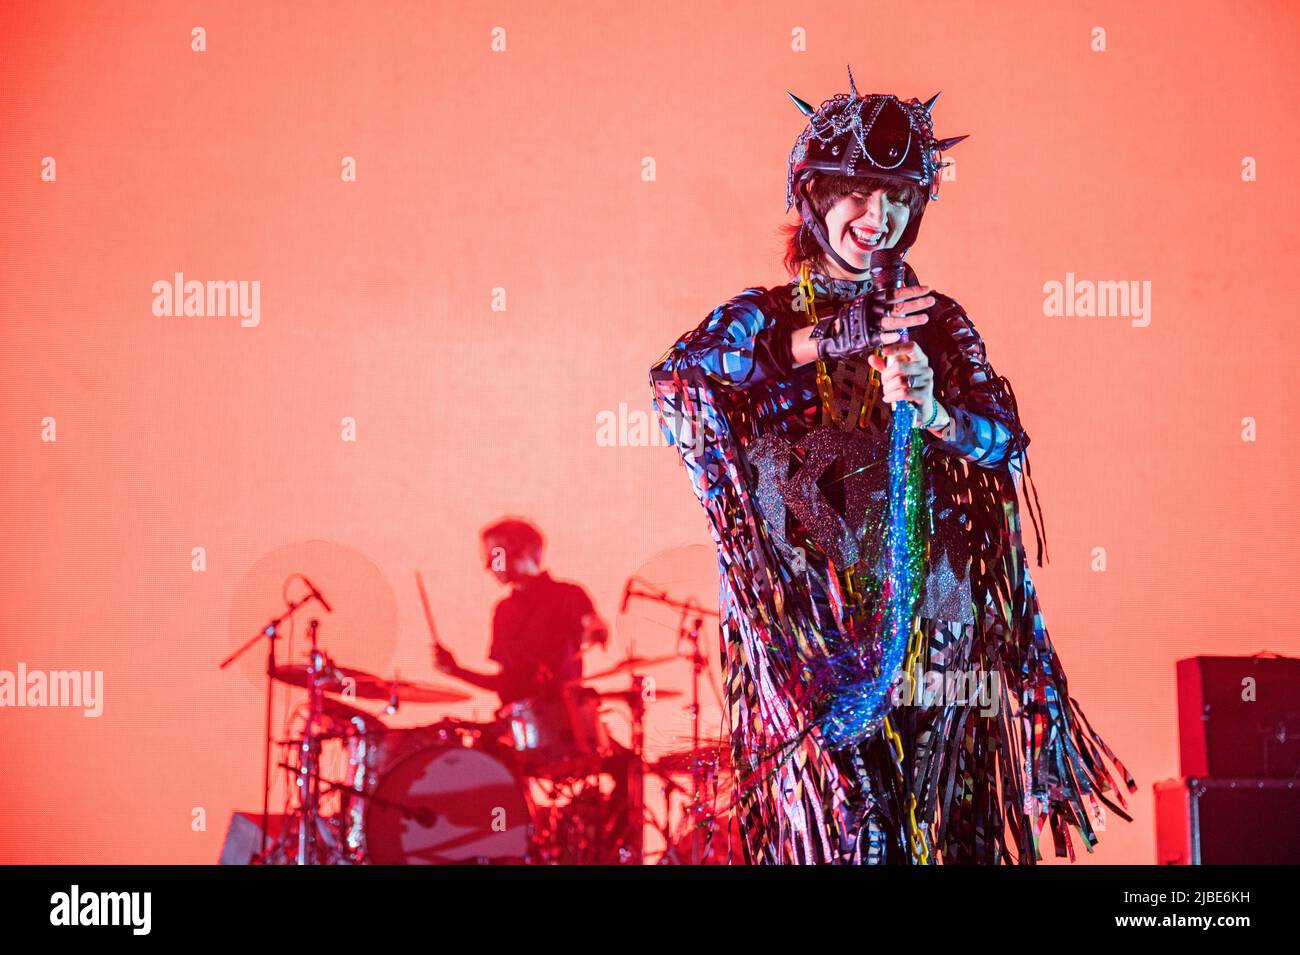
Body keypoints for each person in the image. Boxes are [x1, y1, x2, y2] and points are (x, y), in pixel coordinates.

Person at [648, 67, 1136, 864]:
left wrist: (938, 408)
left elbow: (1004, 442)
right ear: (814, 197)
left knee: (947, 835)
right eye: (861, 194)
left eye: (900, 199)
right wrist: (830, 339)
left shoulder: (937, 321)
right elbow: (678, 383)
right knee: (859, 828)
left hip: (937, 619)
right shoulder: (765, 315)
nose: (880, 218)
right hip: (817, 629)